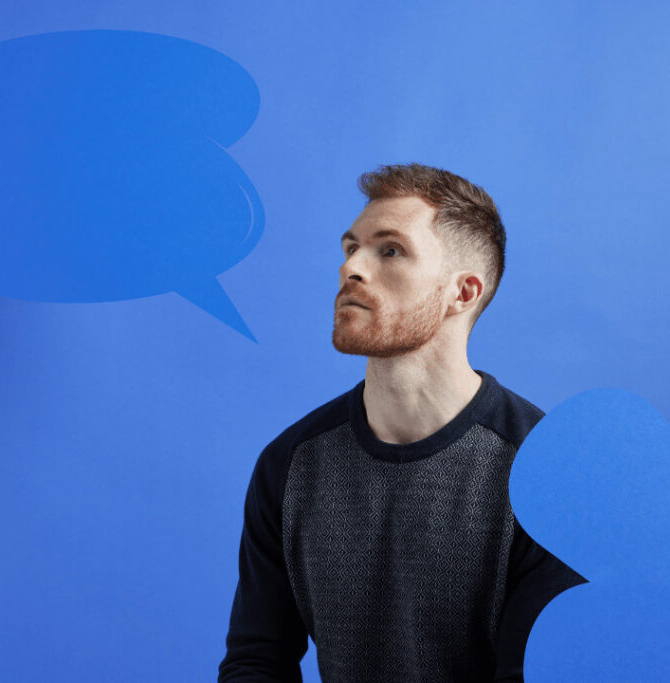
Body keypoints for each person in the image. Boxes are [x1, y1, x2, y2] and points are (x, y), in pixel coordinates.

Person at [218, 163, 584, 682]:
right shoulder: (289, 464)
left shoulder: (547, 472)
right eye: (350, 248)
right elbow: (257, 663)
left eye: (389, 250)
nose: (352, 268)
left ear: (464, 292)